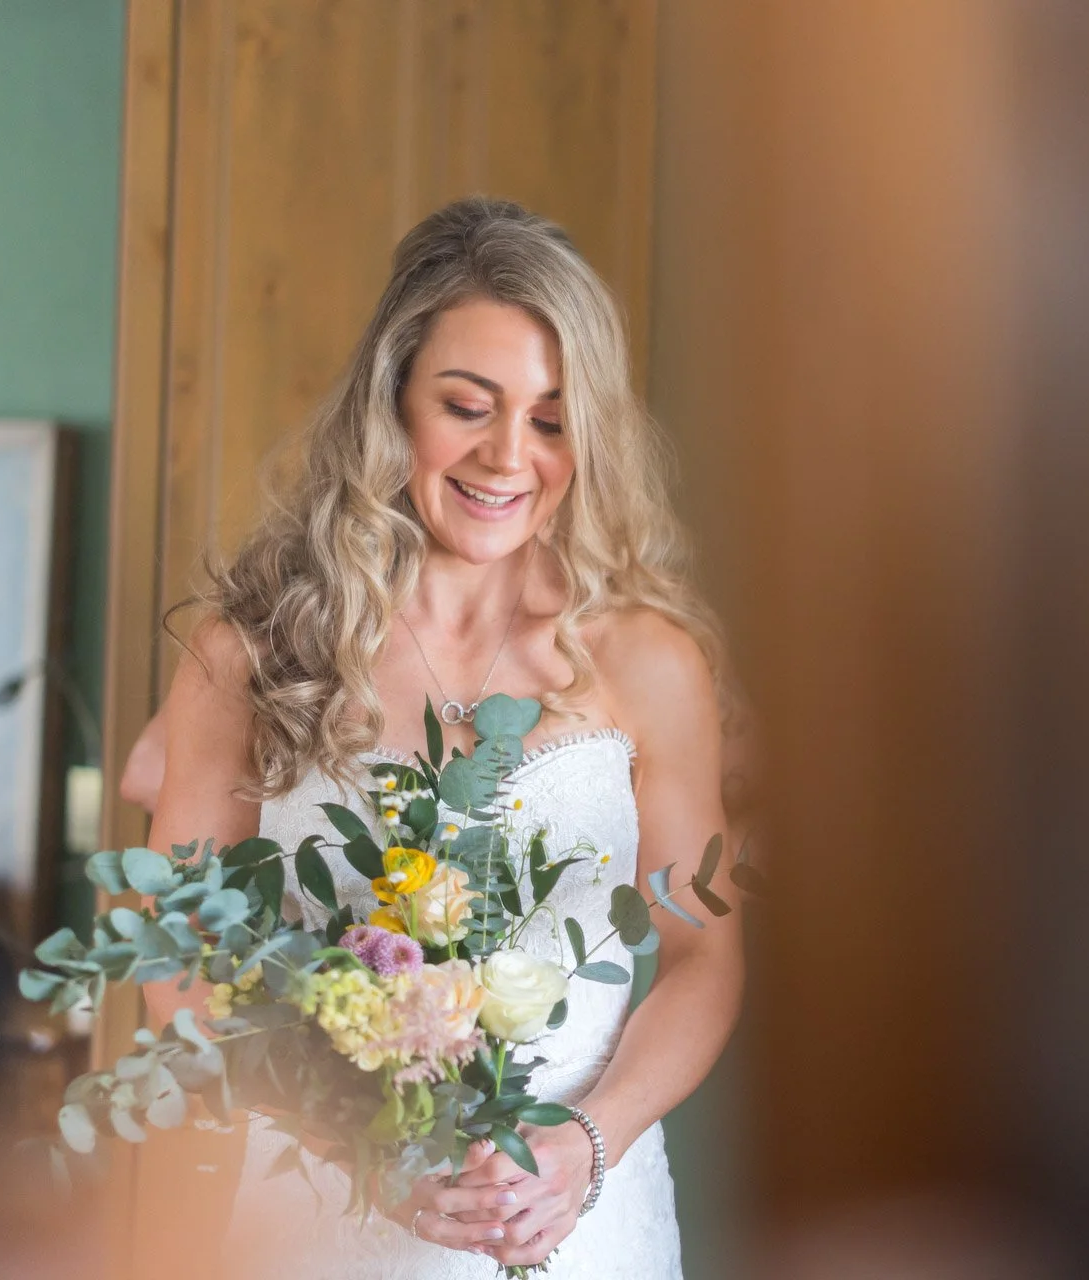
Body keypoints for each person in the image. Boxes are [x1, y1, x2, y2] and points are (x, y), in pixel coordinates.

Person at [145, 197, 743, 1277]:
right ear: (394, 403)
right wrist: (356, 1143)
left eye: (552, 419)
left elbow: (703, 953)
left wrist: (586, 1144)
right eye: (469, 405)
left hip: (584, 1223)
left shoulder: (648, 660)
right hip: (318, 1221)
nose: (510, 456)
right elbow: (181, 959)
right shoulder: (257, 654)